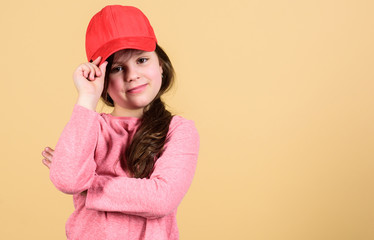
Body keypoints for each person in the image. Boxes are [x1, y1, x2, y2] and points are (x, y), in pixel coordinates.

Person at [40, 5, 200, 240]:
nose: (132, 74)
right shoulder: (90, 127)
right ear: (102, 80)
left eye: (142, 60)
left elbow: (161, 198)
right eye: (117, 68)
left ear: (161, 67)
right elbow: (66, 179)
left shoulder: (178, 131)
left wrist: (89, 184)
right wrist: (87, 97)